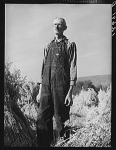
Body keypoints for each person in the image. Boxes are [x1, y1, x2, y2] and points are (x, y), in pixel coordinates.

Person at [36, 17, 77, 147]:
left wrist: (70, 92)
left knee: (61, 120)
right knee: (42, 119)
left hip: (62, 87)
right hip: (46, 87)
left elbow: (73, 67)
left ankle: (63, 145)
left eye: (59, 25)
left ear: (65, 28)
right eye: (54, 24)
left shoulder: (70, 45)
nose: (56, 26)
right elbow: (43, 69)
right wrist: (40, 90)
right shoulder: (48, 46)